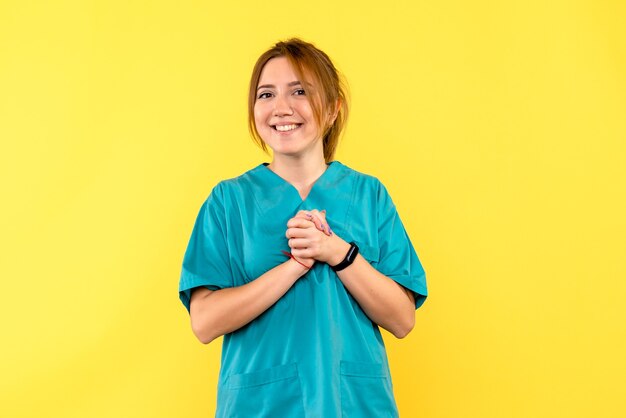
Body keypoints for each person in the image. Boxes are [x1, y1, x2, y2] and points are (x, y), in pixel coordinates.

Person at [179, 38, 428, 418]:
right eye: (266, 94)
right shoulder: (229, 202)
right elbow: (205, 323)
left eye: (300, 91)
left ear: (332, 109)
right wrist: (294, 265)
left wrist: (338, 253)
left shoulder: (368, 195)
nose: (281, 108)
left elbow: (402, 319)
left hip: (354, 404)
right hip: (260, 405)